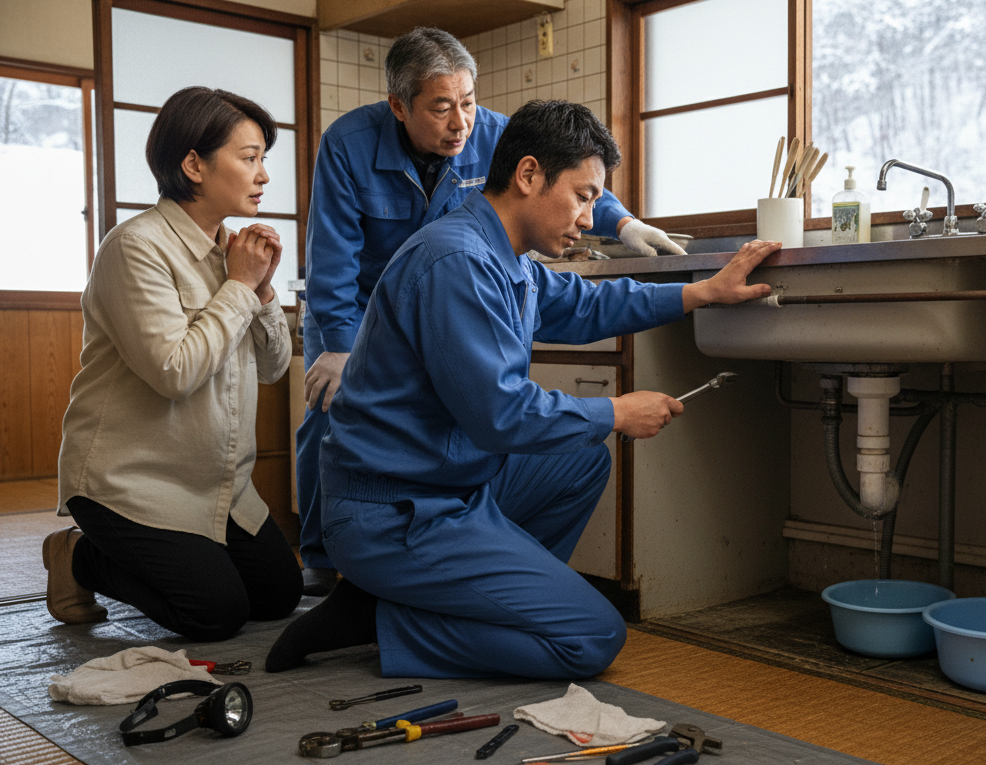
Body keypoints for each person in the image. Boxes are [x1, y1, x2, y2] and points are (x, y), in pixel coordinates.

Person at [265, 100, 778, 679]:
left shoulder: (504, 258)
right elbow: (501, 416)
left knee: (579, 461)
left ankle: (466, 599)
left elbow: (588, 303)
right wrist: (614, 411)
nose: (589, 218)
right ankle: (383, 621)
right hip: (394, 512)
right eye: (583, 196)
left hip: (447, 482)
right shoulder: (456, 260)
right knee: (591, 637)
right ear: (529, 175)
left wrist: (700, 293)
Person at [296, 28, 686, 596]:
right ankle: (324, 563)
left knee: (455, 423)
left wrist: (625, 224)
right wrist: (338, 344)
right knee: (335, 411)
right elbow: (331, 255)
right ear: (398, 106)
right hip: (360, 308)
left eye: (469, 102)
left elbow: (572, 179)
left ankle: (476, 569)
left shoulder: (495, 135)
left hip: (451, 296)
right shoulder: (347, 143)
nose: (461, 124)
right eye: (441, 108)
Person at [45, 86, 303, 641]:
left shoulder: (232, 253)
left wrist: (258, 291)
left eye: (264, 160)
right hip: (132, 484)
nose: (263, 176)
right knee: (214, 614)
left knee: (280, 596)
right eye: (249, 157)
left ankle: (172, 559)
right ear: (194, 165)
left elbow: (275, 367)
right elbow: (175, 372)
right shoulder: (134, 247)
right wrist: (238, 285)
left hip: (218, 484)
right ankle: (78, 556)